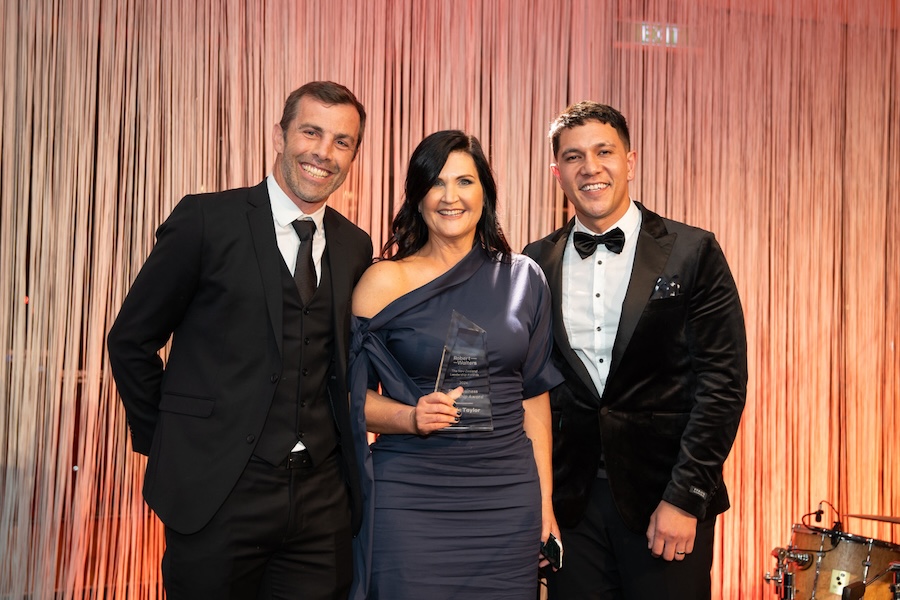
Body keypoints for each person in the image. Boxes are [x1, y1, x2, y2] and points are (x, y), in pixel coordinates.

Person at [107, 81, 373, 599]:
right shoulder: (206, 220)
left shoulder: (354, 245)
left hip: (321, 502)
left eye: (341, 141)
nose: (324, 152)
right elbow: (131, 341)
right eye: (311, 132)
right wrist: (170, 442)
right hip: (218, 493)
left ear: (352, 155)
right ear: (279, 135)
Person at [523, 102, 747, 599]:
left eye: (604, 152)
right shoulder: (535, 262)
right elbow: (533, 390)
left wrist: (686, 498)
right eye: (574, 156)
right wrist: (539, 505)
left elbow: (723, 385)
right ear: (558, 173)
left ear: (630, 161)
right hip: (572, 509)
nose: (590, 167)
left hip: (665, 502)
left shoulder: (693, 251)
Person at [348, 130, 564, 599]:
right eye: (436, 183)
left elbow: (534, 400)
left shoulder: (524, 279)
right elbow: (345, 397)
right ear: (417, 196)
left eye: (465, 181)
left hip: (508, 500)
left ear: (485, 193)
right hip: (411, 497)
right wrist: (409, 417)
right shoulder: (383, 282)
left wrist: (545, 504)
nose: (450, 197)